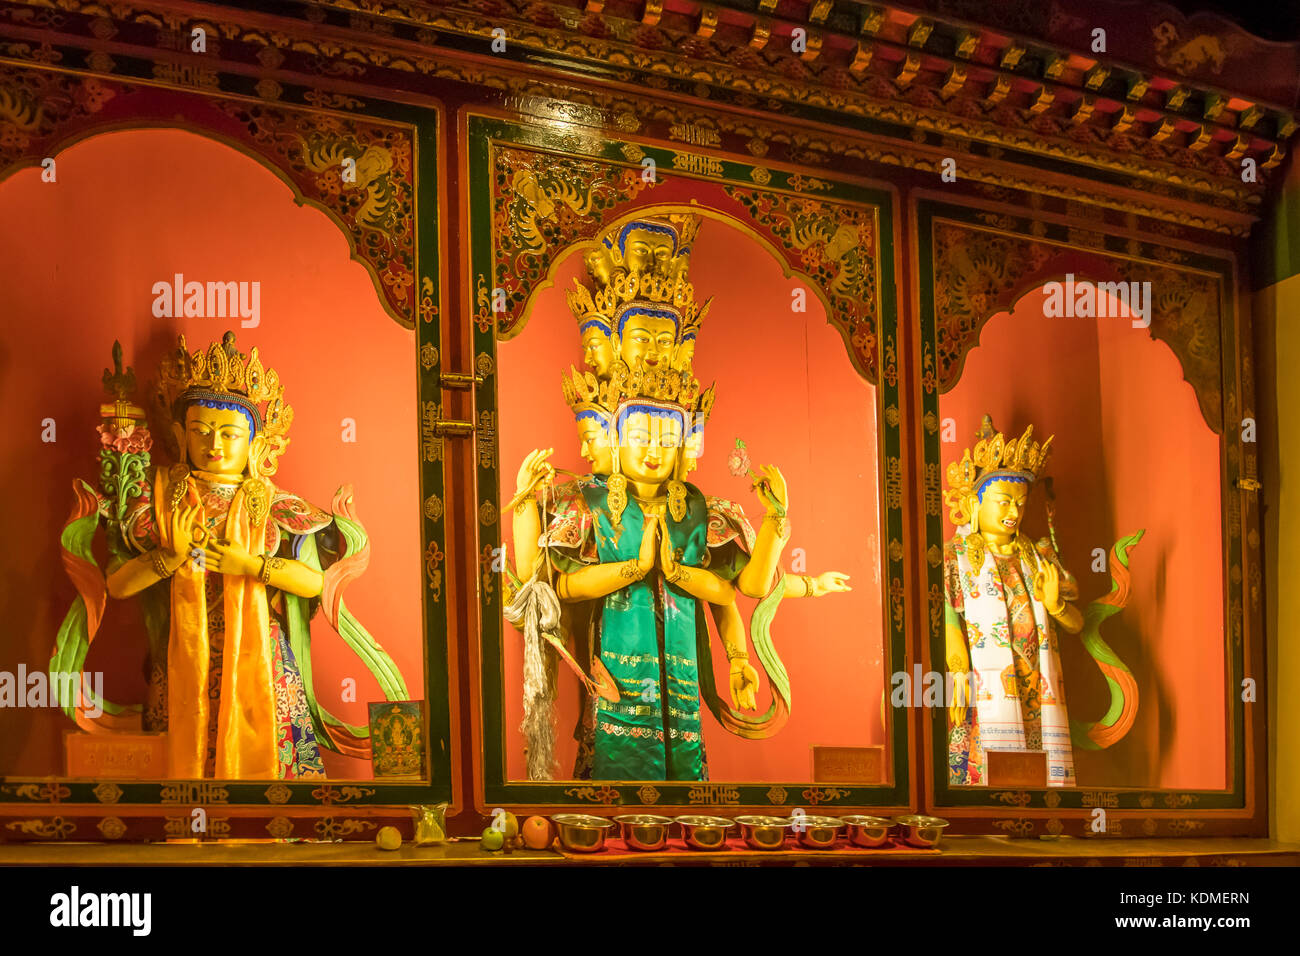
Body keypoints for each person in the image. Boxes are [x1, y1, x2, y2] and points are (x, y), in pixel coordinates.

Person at [942, 416, 1081, 787]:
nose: (1013, 513)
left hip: (1037, 684)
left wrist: (1056, 607)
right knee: (982, 764)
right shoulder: (956, 557)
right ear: (974, 502)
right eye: (1003, 502)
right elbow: (945, 617)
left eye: (1020, 503)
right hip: (983, 685)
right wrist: (957, 669)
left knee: (1039, 770)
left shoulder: (1036, 556)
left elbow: (1076, 624)